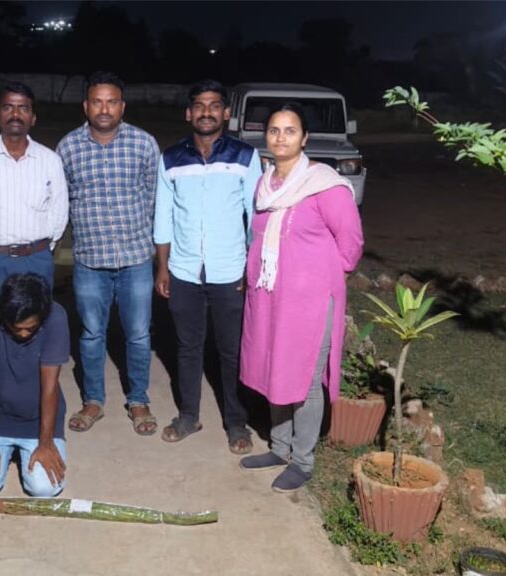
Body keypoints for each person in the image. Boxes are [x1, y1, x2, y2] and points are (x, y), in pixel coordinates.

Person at [239, 103, 363, 492]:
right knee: (275, 366)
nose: (280, 137)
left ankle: (304, 461)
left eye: (289, 130)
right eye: (274, 130)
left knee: (306, 378)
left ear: (304, 138)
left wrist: (317, 276)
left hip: (310, 300)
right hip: (272, 294)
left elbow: (351, 244)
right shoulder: (265, 185)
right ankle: (279, 447)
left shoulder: (324, 184)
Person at [153, 80, 261, 454]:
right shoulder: (170, 159)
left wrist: (251, 269)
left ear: (226, 113)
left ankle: (236, 421)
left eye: (214, 105)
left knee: (231, 350)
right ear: (189, 113)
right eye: (199, 105)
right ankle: (188, 415)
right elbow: (163, 218)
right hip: (183, 271)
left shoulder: (245, 157)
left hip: (231, 271)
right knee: (187, 347)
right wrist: (162, 268)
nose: (206, 112)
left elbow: (256, 218)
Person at [57, 71, 161, 435]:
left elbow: (153, 198)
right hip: (89, 260)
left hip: (135, 259)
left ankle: (138, 399)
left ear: (122, 106)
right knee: (90, 334)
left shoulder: (144, 144)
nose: (104, 109)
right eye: (97, 101)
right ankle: (94, 400)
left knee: (138, 334)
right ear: (86, 106)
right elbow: (63, 200)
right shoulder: (68, 147)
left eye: (111, 101)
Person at [0, 273, 70, 498]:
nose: (22, 334)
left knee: (44, 489)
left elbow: (50, 386)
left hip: (39, 420)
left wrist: (46, 443)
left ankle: (30, 448)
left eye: (30, 329)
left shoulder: (56, 317)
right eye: (15, 328)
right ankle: (1, 446)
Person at [0, 82, 68, 302]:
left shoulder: (50, 161)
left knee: (37, 326)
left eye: (23, 108)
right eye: (8, 107)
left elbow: (59, 210)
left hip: (36, 259)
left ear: (33, 118)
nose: (16, 114)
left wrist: (43, 249)